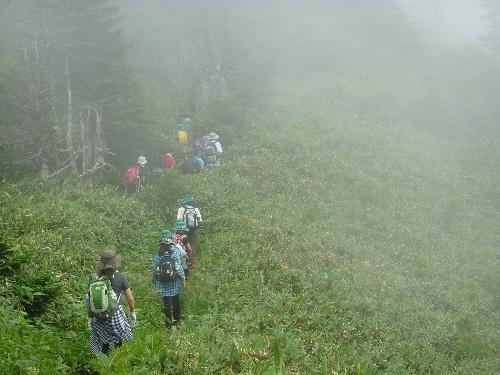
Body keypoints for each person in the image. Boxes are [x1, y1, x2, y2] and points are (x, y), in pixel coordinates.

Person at [87, 250, 136, 356]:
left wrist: (90, 317)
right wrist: (132, 312)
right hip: (115, 316)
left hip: (99, 316)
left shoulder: (94, 278)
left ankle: (105, 363)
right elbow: (130, 299)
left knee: (104, 341)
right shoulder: (121, 277)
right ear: (115, 263)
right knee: (118, 340)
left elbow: (89, 299)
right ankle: (118, 361)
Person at [152, 235, 186, 327]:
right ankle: (177, 319)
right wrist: (183, 278)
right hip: (174, 283)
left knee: (166, 303)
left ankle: (168, 323)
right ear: (170, 245)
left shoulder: (158, 256)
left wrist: (154, 282)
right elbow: (178, 268)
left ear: (161, 246)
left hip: (162, 284)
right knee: (176, 301)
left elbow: (155, 270)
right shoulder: (174, 254)